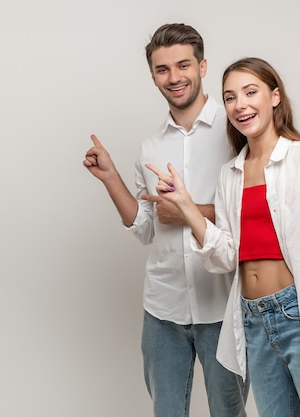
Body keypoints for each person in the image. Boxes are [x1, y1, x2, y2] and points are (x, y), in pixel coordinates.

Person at [146, 57, 300, 417]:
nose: (240, 105)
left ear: (275, 97)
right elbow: (226, 256)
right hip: (253, 322)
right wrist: (185, 205)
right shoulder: (231, 174)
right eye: (230, 97)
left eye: (251, 92)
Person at [82, 23, 248, 417]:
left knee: (229, 412)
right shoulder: (151, 145)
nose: (174, 77)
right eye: (162, 69)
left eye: (183, 65)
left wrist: (191, 212)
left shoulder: (236, 130)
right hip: (163, 309)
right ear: (153, 75)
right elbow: (146, 228)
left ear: (203, 66)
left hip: (221, 307)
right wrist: (111, 177)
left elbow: (253, 213)